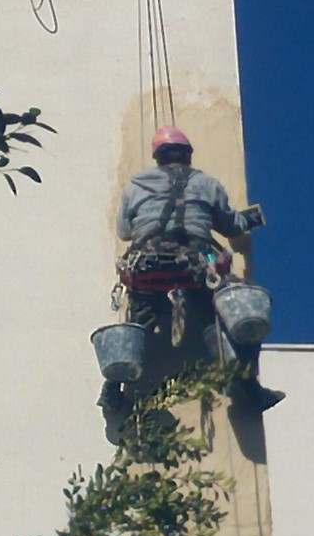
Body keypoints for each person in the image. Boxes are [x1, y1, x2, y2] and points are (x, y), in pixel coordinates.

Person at [98, 126, 285, 413]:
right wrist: (251, 219)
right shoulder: (207, 184)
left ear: (158, 157)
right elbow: (230, 225)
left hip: (148, 266)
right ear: (188, 155)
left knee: (138, 326)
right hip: (197, 267)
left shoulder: (136, 186)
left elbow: (124, 231)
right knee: (221, 320)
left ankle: (111, 390)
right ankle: (250, 390)